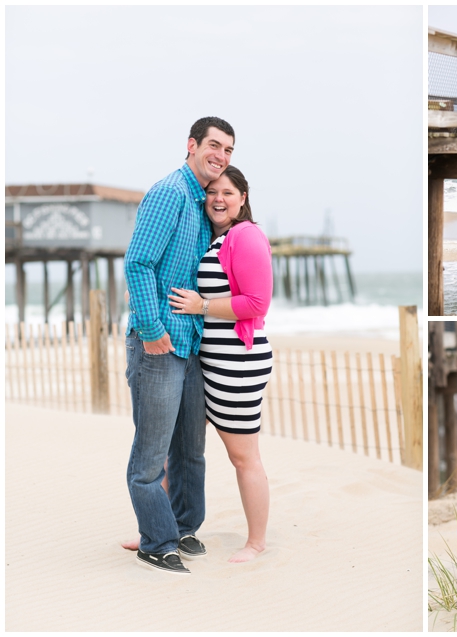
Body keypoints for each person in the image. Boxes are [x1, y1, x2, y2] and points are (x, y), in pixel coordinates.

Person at [124, 116, 235, 574]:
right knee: (151, 455)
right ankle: (157, 540)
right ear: (191, 145)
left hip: (190, 345)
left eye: (229, 150)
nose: (221, 156)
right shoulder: (170, 192)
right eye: (214, 145)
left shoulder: (200, 201)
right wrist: (151, 332)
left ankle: (184, 526)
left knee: (190, 449)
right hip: (159, 345)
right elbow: (138, 263)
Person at [168, 165, 273, 563]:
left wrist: (202, 305)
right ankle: (160, 530)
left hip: (238, 363)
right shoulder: (214, 238)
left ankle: (256, 542)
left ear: (243, 198)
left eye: (228, 192)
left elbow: (258, 303)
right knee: (174, 449)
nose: (218, 198)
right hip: (206, 361)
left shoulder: (245, 236)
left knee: (243, 456)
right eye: (212, 191)